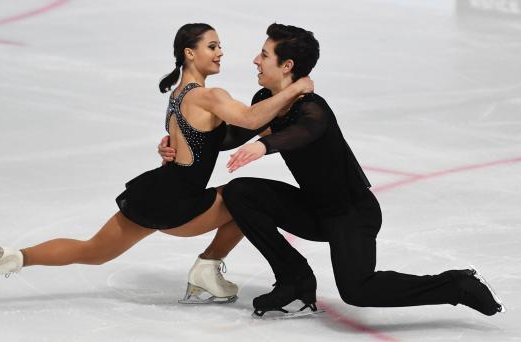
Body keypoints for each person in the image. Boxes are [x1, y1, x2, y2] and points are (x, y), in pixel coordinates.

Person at [0, 23, 314, 306]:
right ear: (190, 53)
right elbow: (249, 119)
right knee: (247, 201)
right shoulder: (209, 95)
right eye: (212, 46)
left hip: (157, 190)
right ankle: (207, 269)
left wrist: (268, 121)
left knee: (92, 251)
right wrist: (295, 89)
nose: (221, 53)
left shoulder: (178, 95)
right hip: (182, 203)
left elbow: (219, 139)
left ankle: (10, 256)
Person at [160, 23, 504, 317]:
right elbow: (228, 135)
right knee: (241, 193)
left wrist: (264, 145)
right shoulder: (266, 98)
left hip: (351, 213)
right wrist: (179, 135)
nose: (255, 59)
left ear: (287, 65)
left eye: (264, 55)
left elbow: (302, 133)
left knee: (358, 290)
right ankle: (295, 280)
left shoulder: (314, 109)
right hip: (313, 209)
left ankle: (457, 284)